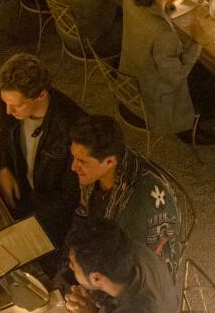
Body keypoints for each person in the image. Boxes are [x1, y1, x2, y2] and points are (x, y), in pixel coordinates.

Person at [121, 0, 215, 145]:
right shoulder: (163, 34)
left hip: (130, 74)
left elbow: (152, 14)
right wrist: (197, 40)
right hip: (153, 91)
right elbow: (176, 78)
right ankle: (187, 128)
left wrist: (171, 5)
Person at [64, 217, 193, 313]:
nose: (70, 267)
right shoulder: (137, 252)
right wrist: (97, 294)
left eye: (73, 265)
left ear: (96, 278)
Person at [70, 115, 184, 276]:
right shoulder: (93, 174)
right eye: (74, 157)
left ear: (109, 162)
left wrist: (86, 284)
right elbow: (81, 218)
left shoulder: (140, 206)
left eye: (82, 161)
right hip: (103, 255)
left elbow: (132, 274)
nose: (73, 167)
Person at [0, 53, 87, 246]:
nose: (8, 112)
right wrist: (5, 168)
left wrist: (32, 219)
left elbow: (71, 193)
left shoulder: (73, 127)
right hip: (20, 190)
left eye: (16, 105)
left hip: (49, 210)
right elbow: (5, 138)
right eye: (5, 103)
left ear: (42, 95)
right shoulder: (11, 104)